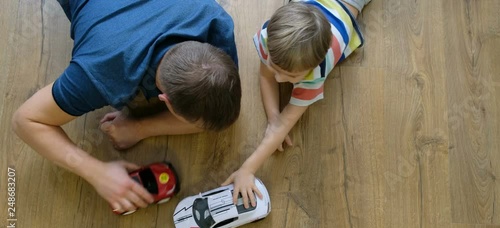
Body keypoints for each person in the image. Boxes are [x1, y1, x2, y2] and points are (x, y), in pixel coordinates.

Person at [12, 0, 241, 214]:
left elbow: (216, 109)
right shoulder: (101, 73)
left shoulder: (212, 16)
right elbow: (26, 120)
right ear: (165, 100)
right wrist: (96, 172)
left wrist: (140, 128)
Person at [222, 0, 371, 208]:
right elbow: (266, 77)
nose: (280, 79)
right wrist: (274, 117)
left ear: (313, 66)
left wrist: (248, 169)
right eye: (275, 66)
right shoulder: (270, 39)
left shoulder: (315, 75)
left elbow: (284, 124)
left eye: (291, 75)